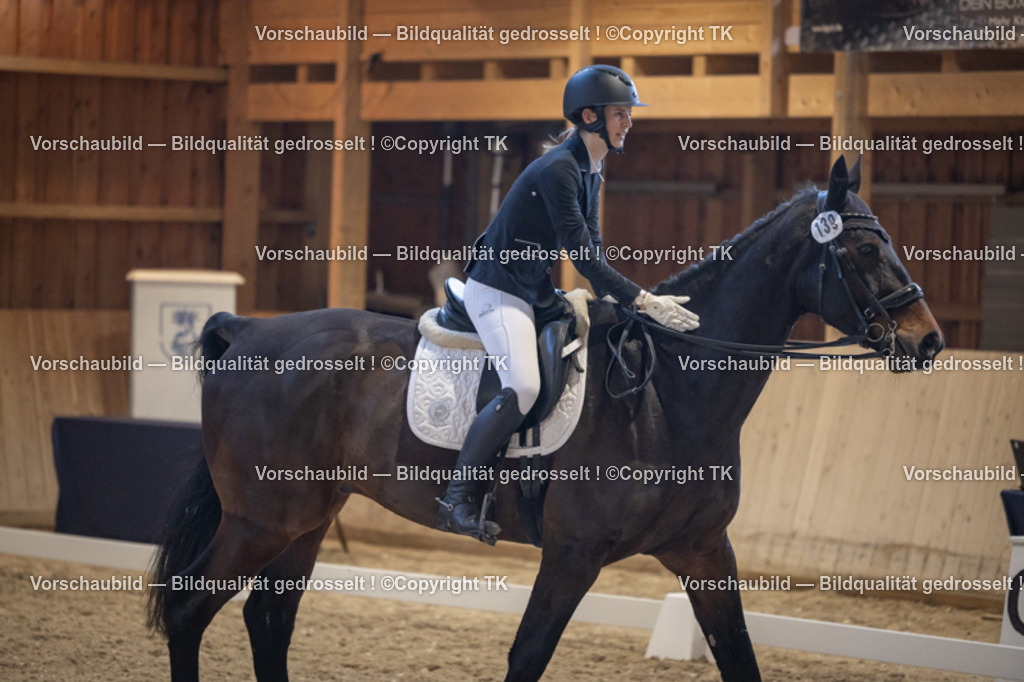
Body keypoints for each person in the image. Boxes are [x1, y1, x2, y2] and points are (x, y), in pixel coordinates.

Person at [436, 64, 700, 542]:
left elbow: (593, 251)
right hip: (498, 288)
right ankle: (457, 498)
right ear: (589, 115)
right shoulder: (560, 168)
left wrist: (627, 304)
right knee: (523, 386)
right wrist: (643, 300)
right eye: (621, 114)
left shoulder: (591, 168)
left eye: (628, 114)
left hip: (532, 289)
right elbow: (581, 255)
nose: (629, 123)